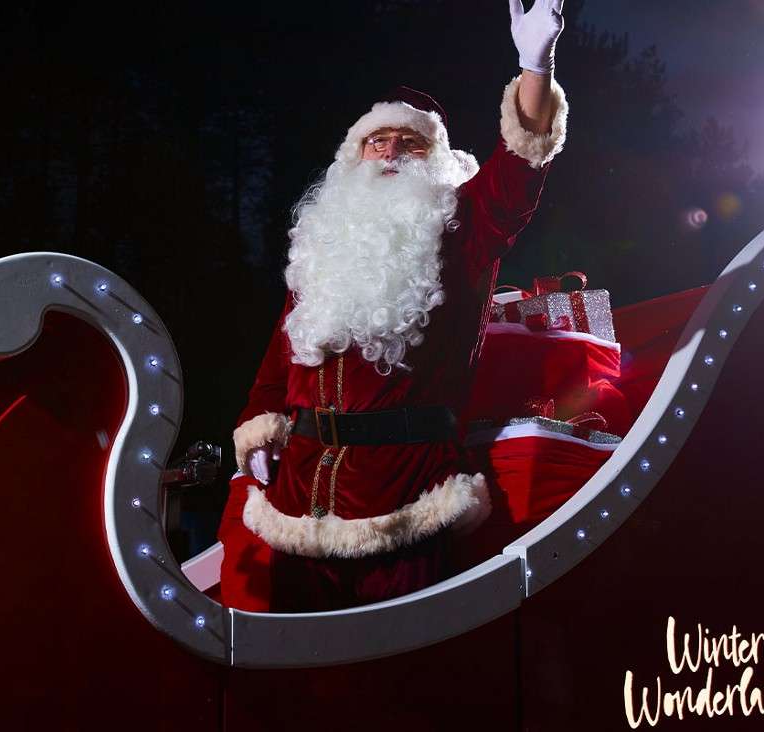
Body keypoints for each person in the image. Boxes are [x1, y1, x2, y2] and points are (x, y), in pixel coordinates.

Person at [229, 0, 569, 612]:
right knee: (292, 683)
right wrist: (257, 423)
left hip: (403, 499)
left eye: (408, 144)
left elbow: (518, 170)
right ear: (355, 157)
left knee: (397, 683)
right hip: (297, 493)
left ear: (434, 160)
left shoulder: (464, 226)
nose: (388, 154)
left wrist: (533, 65)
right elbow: (280, 358)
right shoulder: (324, 239)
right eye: (377, 142)